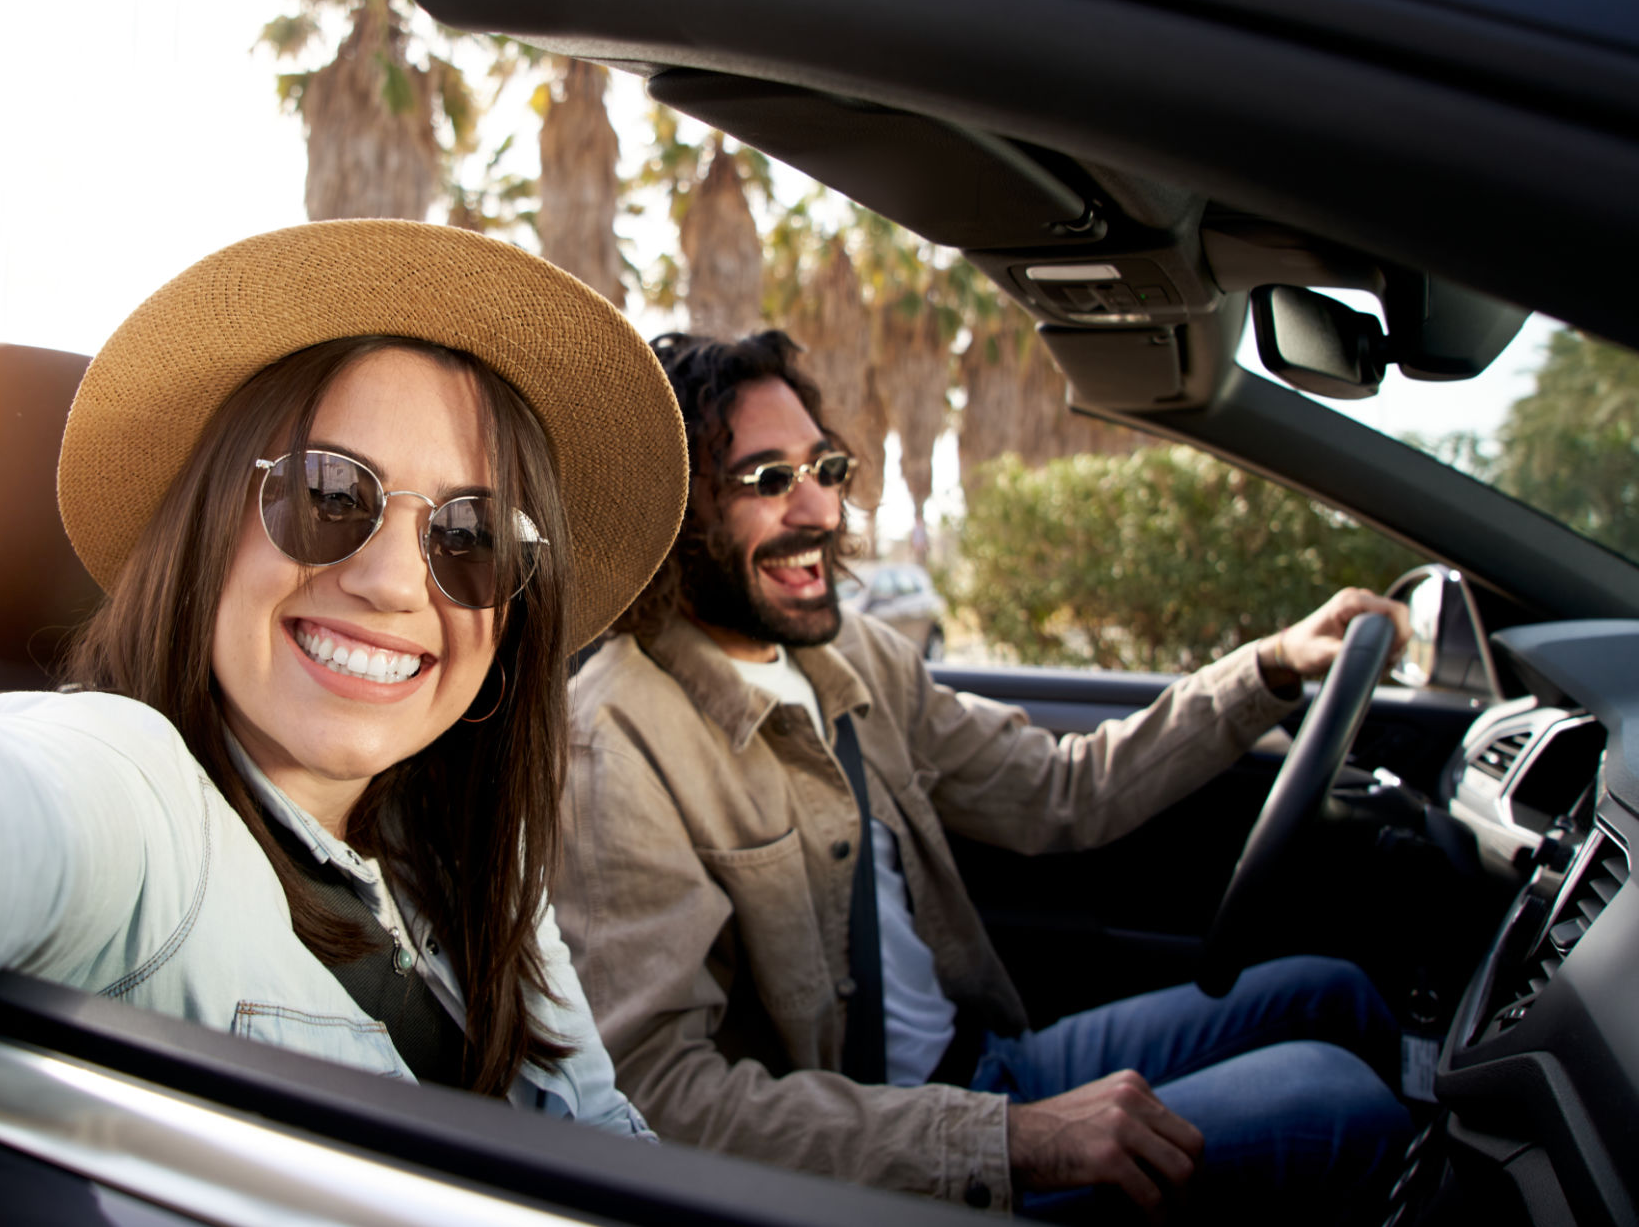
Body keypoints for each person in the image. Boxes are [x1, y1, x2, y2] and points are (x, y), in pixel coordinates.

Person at [0, 222, 688, 1139]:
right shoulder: (131, 794)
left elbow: (611, 1141)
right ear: (206, 524)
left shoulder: (475, 863)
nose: (395, 582)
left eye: (471, 535)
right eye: (325, 493)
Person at [555, 329, 1414, 1220]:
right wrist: (1012, 1141)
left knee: (1332, 992)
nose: (819, 510)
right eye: (769, 480)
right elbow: (656, 1097)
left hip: (991, 1066)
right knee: (1338, 1108)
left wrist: (1270, 667)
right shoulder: (613, 745)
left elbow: (1060, 790)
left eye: (825, 467)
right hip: (894, 1170)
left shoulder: (852, 655)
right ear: (669, 509)